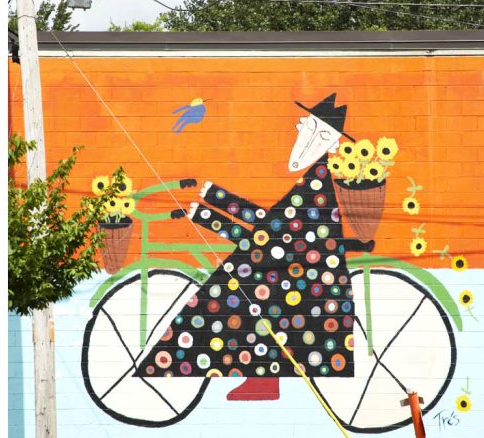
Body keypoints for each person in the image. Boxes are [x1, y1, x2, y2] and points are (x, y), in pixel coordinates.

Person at [136, 93, 372, 401]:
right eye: (311, 128)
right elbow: (272, 229)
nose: (310, 141)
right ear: (301, 126)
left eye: (323, 135)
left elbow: (273, 235)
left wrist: (212, 211)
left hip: (310, 286)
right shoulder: (311, 180)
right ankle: (260, 379)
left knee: (232, 290)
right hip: (297, 278)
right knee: (244, 284)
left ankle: (256, 379)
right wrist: (215, 203)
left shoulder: (317, 184)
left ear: (333, 145)